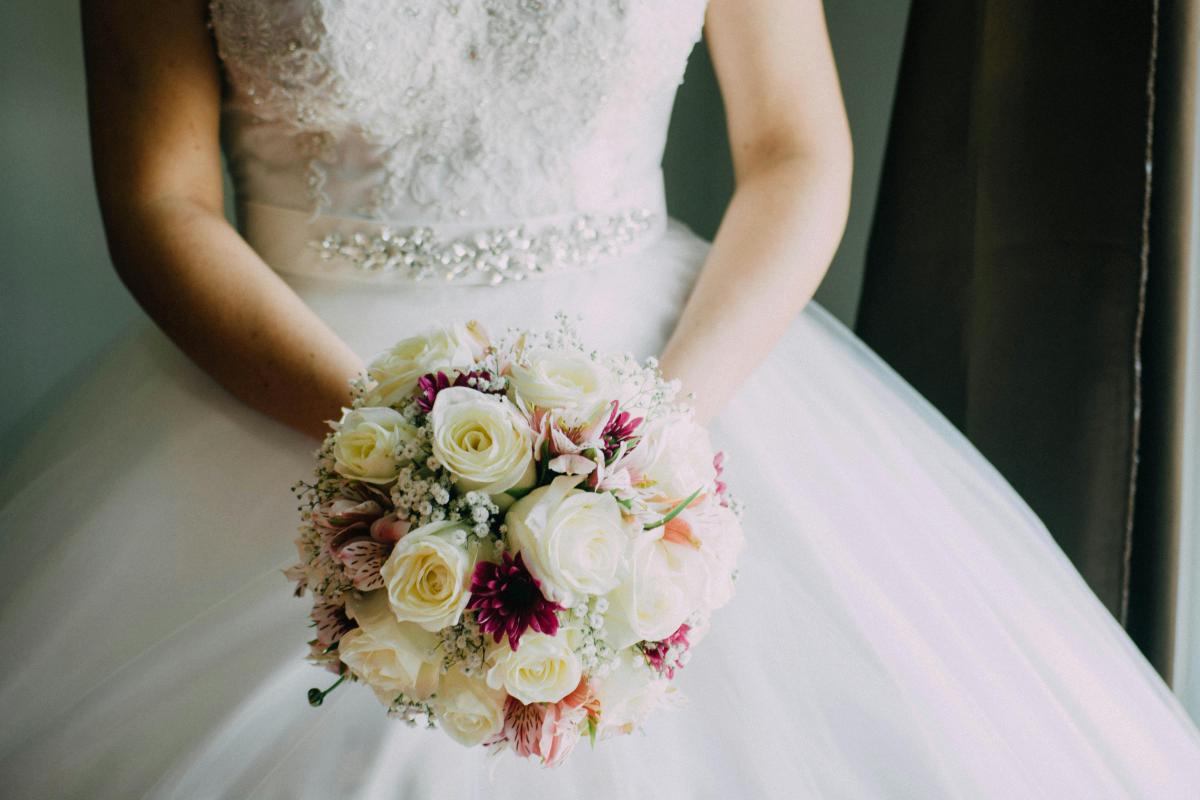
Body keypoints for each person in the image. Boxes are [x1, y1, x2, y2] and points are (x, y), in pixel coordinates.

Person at [1, 0, 1198, 797]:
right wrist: (389, 445)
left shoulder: (661, 424)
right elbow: (161, 201)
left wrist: (645, 447)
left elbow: (795, 149)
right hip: (291, 373)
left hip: (677, 368)